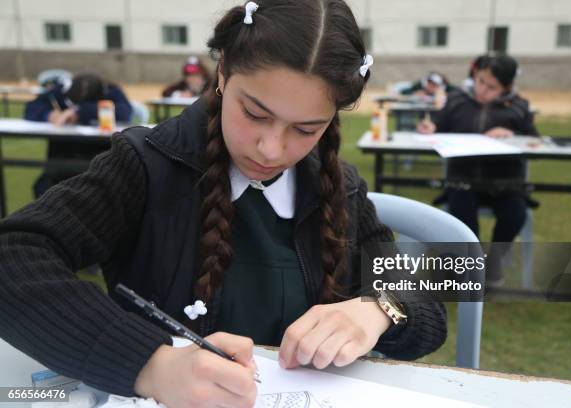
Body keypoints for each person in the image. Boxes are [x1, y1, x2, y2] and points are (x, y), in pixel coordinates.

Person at [0, 1, 447, 407]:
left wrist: (380, 309)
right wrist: (150, 364)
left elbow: (441, 288)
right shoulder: (146, 165)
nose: (271, 149)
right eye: (254, 114)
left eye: (306, 129)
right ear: (223, 73)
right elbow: (12, 257)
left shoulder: (342, 188)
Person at [417, 54, 539, 284]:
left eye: (492, 87)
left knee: (515, 214)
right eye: (480, 81)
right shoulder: (457, 100)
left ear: (507, 87)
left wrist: (513, 135)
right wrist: (429, 127)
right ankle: (470, 264)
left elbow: (534, 140)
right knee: (462, 214)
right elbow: (436, 124)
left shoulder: (518, 106)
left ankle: (494, 261)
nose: (482, 89)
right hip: (463, 180)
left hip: (506, 183)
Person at [24, 73, 133, 197]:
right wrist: (49, 115)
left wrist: (80, 112)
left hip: (99, 164)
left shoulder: (111, 91)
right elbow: (31, 107)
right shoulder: (62, 90)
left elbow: (125, 112)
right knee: (42, 187)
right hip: (61, 160)